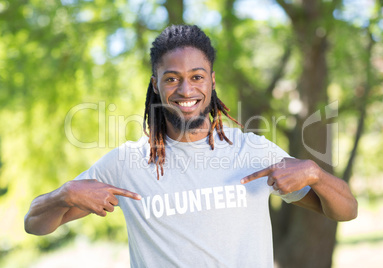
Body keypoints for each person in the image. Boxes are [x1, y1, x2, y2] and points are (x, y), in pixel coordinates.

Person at [25, 25, 357, 267]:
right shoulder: (126, 164)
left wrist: (315, 174)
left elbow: (345, 210)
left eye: (197, 77)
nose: (186, 90)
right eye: (172, 78)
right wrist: (64, 194)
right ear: (156, 85)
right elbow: (35, 224)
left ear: (212, 81)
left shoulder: (253, 152)